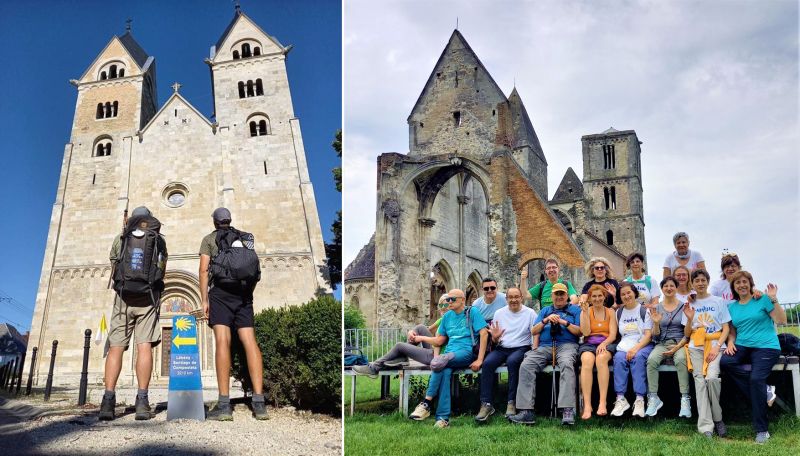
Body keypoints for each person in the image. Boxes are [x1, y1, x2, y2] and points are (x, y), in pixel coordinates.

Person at [200, 208, 268, 421]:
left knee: (223, 340)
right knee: (250, 342)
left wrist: (204, 299)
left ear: (214, 222)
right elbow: (255, 269)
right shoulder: (245, 237)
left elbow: (203, 270)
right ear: (230, 220)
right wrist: (248, 294)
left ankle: (224, 405)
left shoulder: (209, 239)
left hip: (221, 294)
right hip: (244, 294)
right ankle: (259, 403)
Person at [100, 206, 167, 421]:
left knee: (116, 347)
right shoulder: (158, 239)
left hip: (123, 298)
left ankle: (108, 402)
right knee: (144, 346)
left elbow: (113, 264)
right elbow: (162, 267)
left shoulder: (122, 237)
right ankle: (142, 401)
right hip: (147, 298)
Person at [721, 272, 786, 444]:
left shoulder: (762, 299)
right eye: (737, 283)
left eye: (744, 282)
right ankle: (766, 391)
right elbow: (733, 331)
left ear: (750, 284)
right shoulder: (732, 307)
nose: (741, 285)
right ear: (733, 287)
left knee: (757, 379)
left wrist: (773, 299)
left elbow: (781, 320)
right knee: (726, 362)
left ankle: (762, 430)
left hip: (766, 346)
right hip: (742, 345)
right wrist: (730, 343)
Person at [409, 289, 488, 428]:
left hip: (465, 352)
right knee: (444, 371)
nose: (449, 302)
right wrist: (419, 337)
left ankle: (426, 403)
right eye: (448, 299)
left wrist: (480, 359)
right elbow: (439, 340)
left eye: (452, 299)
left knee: (439, 362)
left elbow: (484, 334)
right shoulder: (446, 317)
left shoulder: (472, 312)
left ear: (462, 300)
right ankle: (443, 419)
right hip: (449, 355)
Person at [508, 283, 581, 426]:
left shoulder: (575, 310)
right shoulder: (545, 310)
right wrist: (546, 320)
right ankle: (526, 411)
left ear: (567, 296)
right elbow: (534, 331)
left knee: (567, 364)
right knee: (526, 365)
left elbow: (580, 332)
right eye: (556, 294)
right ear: (551, 296)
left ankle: (567, 409)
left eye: (562, 294)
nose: (559, 297)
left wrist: (563, 322)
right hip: (545, 346)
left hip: (567, 345)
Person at [475, 287, 537, 422]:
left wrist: (534, 349)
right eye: (511, 297)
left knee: (513, 362)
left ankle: (512, 401)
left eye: (516, 297)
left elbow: (535, 333)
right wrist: (495, 338)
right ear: (506, 299)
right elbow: (495, 339)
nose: (514, 300)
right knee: (488, 363)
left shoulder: (530, 313)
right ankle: (486, 404)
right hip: (502, 347)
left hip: (521, 347)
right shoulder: (499, 313)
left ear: (521, 298)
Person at [682, 269, 730, 438]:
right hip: (696, 346)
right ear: (692, 284)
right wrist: (689, 318)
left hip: (715, 345)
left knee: (711, 378)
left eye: (703, 280)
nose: (700, 283)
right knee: (700, 382)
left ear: (707, 281)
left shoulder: (718, 301)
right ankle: (705, 426)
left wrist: (718, 347)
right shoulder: (689, 304)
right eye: (697, 280)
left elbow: (726, 328)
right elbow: (687, 334)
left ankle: (718, 419)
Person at [353, 294, 451, 376]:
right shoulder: (441, 320)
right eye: (440, 306)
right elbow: (427, 329)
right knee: (420, 327)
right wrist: (411, 332)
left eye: (445, 307)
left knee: (399, 346)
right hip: (436, 351)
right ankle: (403, 356)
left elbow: (438, 341)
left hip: (437, 356)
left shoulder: (451, 322)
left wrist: (420, 338)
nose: (442, 310)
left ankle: (374, 368)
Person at [645, 276, 691, 418]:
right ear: (662, 289)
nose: (669, 288)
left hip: (680, 342)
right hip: (662, 343)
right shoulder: (656, 307)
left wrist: (677, 347)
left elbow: (688, 333)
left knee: (681, 359)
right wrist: (657, 323)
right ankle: (653, 397)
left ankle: (685, 398)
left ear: (676, 288)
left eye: (672, 286)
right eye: (666, 286)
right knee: (651, 360)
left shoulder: (684, 306)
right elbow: (655, 336)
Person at [610, 282, 654, 418]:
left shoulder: (644, 310)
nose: (626, 296)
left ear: (635, 293)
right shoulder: (619, 312)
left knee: (638, 358)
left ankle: (640, 400)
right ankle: (621, 399)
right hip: (625, 345)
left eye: (629, 292)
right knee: (618, 359)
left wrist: (635, 349)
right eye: (623, 294)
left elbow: (648, 335)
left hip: (643, 344)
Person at [578, 284, 617, 420]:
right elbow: (586, 332)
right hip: (589, 343)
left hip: (606, 343)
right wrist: (583, 313)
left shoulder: (610, 312)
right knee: (587, 361)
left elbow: (613, 335)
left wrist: (604, 344)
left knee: (601, 359)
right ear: (589, 298)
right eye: (594, 296)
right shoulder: (586, 311)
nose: (597, 299)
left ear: (604, 297)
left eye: (600, 296)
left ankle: (602, 402)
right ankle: (588, 405)